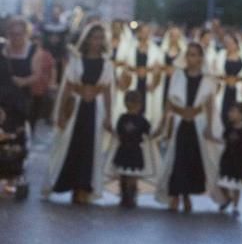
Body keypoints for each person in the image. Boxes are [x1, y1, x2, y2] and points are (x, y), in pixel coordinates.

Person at [44, 22, 114, 204]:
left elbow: (107, 90)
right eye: (94, 37)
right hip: (76, 108)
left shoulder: (107, 64)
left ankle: (85, 187)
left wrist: (109, 116)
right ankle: (71, 184)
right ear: (87, 39)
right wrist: (60, 113)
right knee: (72, 145)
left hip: (94, 109)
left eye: (100, 38)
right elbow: (66, 87)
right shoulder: (76, 61)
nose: (97, 41)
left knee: (90, 147)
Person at [156, 42, 223, 212]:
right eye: (189, 54)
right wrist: (165, 121)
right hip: (180, 121)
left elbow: (209, 104)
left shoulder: (207, 79)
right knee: (177, 158)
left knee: (193, 159)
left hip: (197, 122)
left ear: (201, 58)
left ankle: (186, 195)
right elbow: (170, 100)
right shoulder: (178, 75)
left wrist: (208, 126)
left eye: (195, 55)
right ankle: (175, 195)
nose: (191, 58)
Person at [106, 89, 155, 209]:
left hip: (129, 150)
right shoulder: (137, 119)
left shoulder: (127, 119)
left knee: (128, 175)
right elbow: (150, 134)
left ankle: (128, 196)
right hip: (130, 150)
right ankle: (127, 196)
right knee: (128, 175)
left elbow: (118, 134)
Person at [217, 101, 242, 215]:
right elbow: (224, 140)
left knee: (237, 185)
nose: (230, 114)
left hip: (240, 161)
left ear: (241, 115)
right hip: (227, 158)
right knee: (221, 182)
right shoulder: (228, 128)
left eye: (233, 112)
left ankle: (235, 206)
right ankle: (228, 198)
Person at [4, 18, 44, 129]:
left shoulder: (34, 50)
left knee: (20, 130)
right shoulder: (3, 48)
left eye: (19, 34)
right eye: (12, 34)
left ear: (26, 34)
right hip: (3, 98)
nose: (15, 37)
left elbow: (37, 75)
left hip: (23, 98)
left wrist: (24, 81)